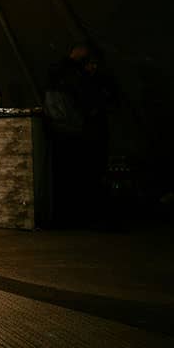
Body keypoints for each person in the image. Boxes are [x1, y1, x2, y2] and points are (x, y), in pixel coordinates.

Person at [45, 42, 117, 227]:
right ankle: (86, 216)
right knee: (83, 174)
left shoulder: (84, 81)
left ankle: (86, 215)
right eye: (89, 63)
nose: (92, 67)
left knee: (87, 174)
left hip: (84, 131)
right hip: (79, 132)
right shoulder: (71, 78)